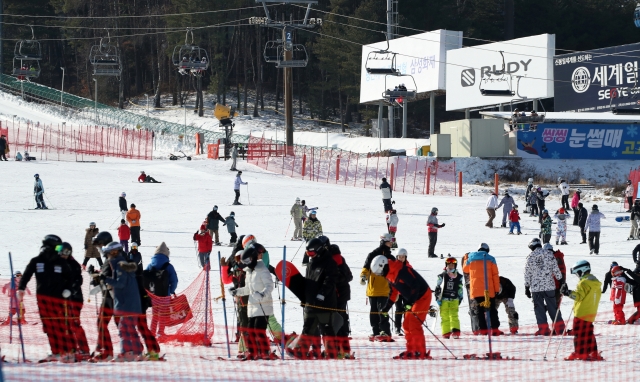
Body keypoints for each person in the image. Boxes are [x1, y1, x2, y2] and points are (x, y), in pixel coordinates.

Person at [17, 235, 72, 361]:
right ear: (49, 246)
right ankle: (55, 352)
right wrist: (21, 289)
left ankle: (65, 352)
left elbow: (70, 278)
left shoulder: (61, 262)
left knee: (59, 325)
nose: (59, 249)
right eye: (57, 246)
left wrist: (68, 289)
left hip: (59, 299)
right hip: (42, 300)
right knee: (48, 326)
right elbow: (26, 275)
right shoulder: (37, 261)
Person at [372, 250, 434, 359]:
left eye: (380, 272)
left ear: (383, 266)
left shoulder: (400, 271)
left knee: (414, 324)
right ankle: (411, 350)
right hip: (414, 298)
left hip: (423, 296)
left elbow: (415, 286)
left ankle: (420, 351)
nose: (381, 275)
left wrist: (409, 303)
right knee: (406, 325)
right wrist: (385, 308)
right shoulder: (390, 275)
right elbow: (394, 292)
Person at [288, 237, 339, 359]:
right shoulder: (311, 264)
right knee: (307, 328)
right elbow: (308, 283)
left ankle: (331, 353)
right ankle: (300, 351)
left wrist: (322, 294)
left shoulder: (329, 263)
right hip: (311, 303)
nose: (310, 255)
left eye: (311, 252)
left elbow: (330, 281)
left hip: (325, 303)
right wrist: (304, 298)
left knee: (326, 330)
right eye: (307, 253)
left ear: (319, 250)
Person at [230, 246, 275, 360]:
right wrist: (237, 291)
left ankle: (265, 352)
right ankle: (252, 352)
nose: (245, 266)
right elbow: (248, 289)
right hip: (252, 306)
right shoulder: (249, 272)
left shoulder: (263, 270)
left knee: (258, 330)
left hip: (263, 305)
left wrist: (262, 294)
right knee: (250, 331)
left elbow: (270, 286)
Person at [102, 241, 144, 362]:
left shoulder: (120, 266)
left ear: (114, 252)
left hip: (127, 304)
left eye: (109, 253)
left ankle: (126, 352)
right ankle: (137, 353)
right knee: (130, 329)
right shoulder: (122, 264)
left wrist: (106, 279)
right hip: (131, 304)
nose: (108, 256)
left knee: (123, 329)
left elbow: (120, 283)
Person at [560, 260, 603, 361]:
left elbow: (578, 296)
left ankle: (579, 353)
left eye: (577, 273)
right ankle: (593, 352)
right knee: (588, 333)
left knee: (578, 333)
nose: (577, 276)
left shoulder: (583, 283)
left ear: (581, 271)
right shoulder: (595, 282)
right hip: (591, 313)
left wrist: (567, 292)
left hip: (581, 313)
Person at [57, 242, 90, 361]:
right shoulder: (59, 264)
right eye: (61, 252)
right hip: (63, 299)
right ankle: (70, 349)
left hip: (74, 299)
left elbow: (78, 280)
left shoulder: (73, 264)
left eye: (65, 253)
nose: (62, 255)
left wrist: (71, 290)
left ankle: (83, 350)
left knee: (74, 324)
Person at [524, 238, 565, 335]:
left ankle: (543, 330)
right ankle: (560, 329)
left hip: (536, 288)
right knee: (553, 308)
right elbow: (556, 270)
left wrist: (526, 287)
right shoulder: (549, 254)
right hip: (549, 286)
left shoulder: (530, 257)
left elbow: (527, 273)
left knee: (539, 309)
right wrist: (561, 280)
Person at [127, 242, 160, 360]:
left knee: (141, 327)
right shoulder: (134, 275)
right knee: (141, 328)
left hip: (138, 306)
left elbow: (141, 291)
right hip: (136, 305)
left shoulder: (138, 276)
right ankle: (150, 349)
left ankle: (150, 350)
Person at [88, 231, 118, 361]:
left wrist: (99, 279)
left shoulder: (112, 259)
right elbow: (105, 276)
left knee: (105, 322)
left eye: (100, 245)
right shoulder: (108, 259)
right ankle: (103, 348)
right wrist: (96, 277)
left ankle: (107, 351)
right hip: (109, 296)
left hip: (113, 297)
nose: (98, 249)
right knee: (102, 322)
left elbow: (111, 278)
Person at [360, 233, 394, 342]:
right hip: (373, 289)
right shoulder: (373, 254)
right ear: (384, 241)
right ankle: (376, 331)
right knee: (373, 312)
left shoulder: (391, 257)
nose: (391, 243)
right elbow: (365, 268)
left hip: (385, 289)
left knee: (382, 311)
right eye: (389, 241)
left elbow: (395, 273)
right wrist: (363, 276)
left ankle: (385, 332)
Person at [462, 243, 501, 335]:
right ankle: (494, 329)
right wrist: (496, 289)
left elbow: (465, 270)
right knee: (492, 310)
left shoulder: (470, 258)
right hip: (489, 290)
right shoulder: (491, 259)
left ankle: (483, 330)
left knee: (479, 310)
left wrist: (465, 258)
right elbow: (495, 275)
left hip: (476, 290)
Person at [147, 242, 178, 338]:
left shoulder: (150, 265)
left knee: (155, 315)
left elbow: (145, 278)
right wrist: (170, 291)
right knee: (163, 315)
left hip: (153, 296)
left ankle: (152, 332)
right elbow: (174, 281)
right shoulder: (168, 266)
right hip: (165, 296)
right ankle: (160, 332)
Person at [329, 243, 353, 358]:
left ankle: (339, 347)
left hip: (338, 295)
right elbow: (349, 276)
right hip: (343, 294)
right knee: (342, 317)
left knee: (338, 319)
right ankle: (344, 346)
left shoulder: (334, 260)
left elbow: (341, 277)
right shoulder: (341, 260)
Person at [434, 257, 463, 339]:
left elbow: (460, 287)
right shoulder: (442, 276)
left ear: (455, 266)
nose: (451, 266)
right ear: (446, 265)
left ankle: (455, 331)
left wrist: (460, 297)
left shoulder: (458, 276)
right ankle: (446, 332)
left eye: (452, 265)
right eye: (449, 265)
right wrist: (437, 298)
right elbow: (438, 288)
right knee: (444, 316)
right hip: (444, 300)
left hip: (454, 299)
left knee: (454, 315)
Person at [461, 252, 480, 334]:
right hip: (477, 287)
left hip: (474, 288)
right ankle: (478, 327)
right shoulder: (479, 260)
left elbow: (465, 269)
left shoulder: (472, 260)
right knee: (477, 308)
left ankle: (477, 327)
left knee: (475, 308)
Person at [392, 249, 410, 336]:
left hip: (406, 292)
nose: (401, 259)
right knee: (399, 309)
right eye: (400, 257)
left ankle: (407, 327)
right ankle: (397, 327)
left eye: (403, 257)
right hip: (397, 292)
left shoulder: (409, 266)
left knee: (407, 310)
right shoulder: (394, 267)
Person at [548, 243, 567, 309]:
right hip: (559, 283)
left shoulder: (555, 258)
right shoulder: (558, 257)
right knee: (555, 306)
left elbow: (558, 273)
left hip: (557, 285)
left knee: (554, 307)